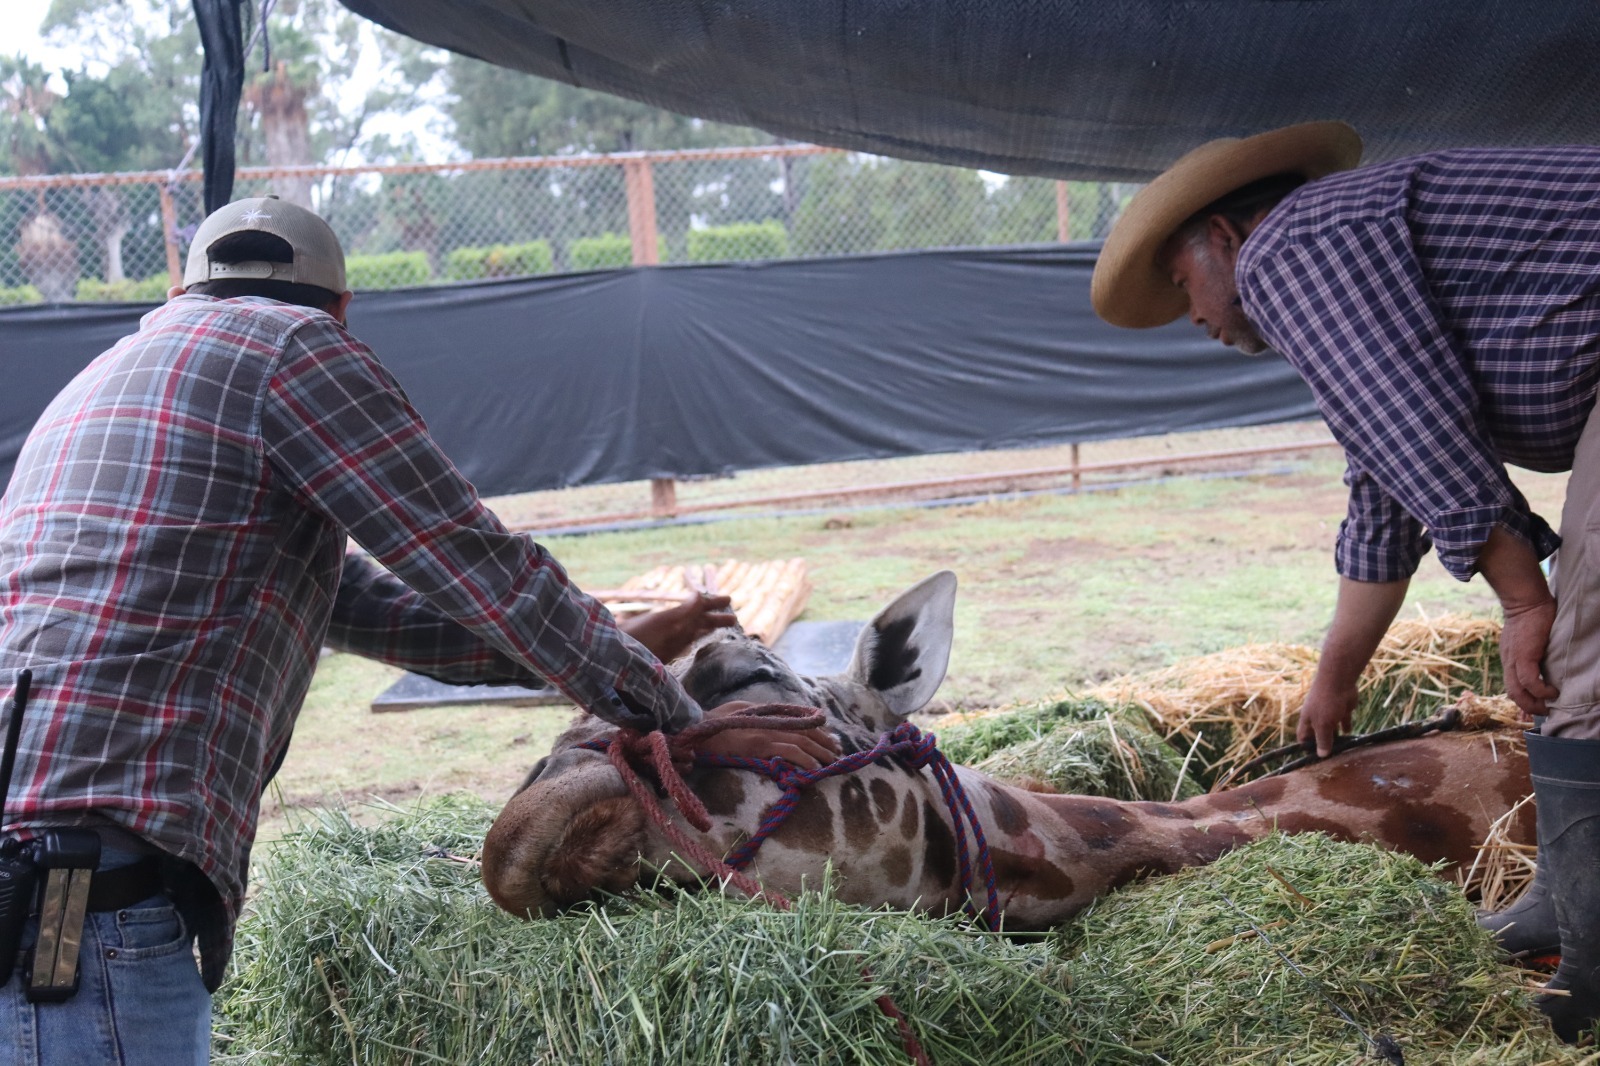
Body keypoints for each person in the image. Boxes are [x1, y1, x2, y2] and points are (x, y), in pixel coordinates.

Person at [0, 195, 837, 1064]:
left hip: (40, 873)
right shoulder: (294, 350)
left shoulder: (108, 377)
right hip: (82, 899)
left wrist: (629, 642)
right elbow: (473, 561)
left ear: (183, 289)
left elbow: (383, 612)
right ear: (343, 310)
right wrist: (672, 711)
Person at [1089, 121, 1600, 1041]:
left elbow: (1418, 432)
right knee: (1583, 656)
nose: (1197, 320)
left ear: (1228, 239)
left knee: (1582, 654)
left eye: (1182, 283)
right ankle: (1570, 909)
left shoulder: (1294, 241)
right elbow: (1386, 487)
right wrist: (1335, 676)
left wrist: (1525, 598)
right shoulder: (1338, 255)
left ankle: (1591, 972)